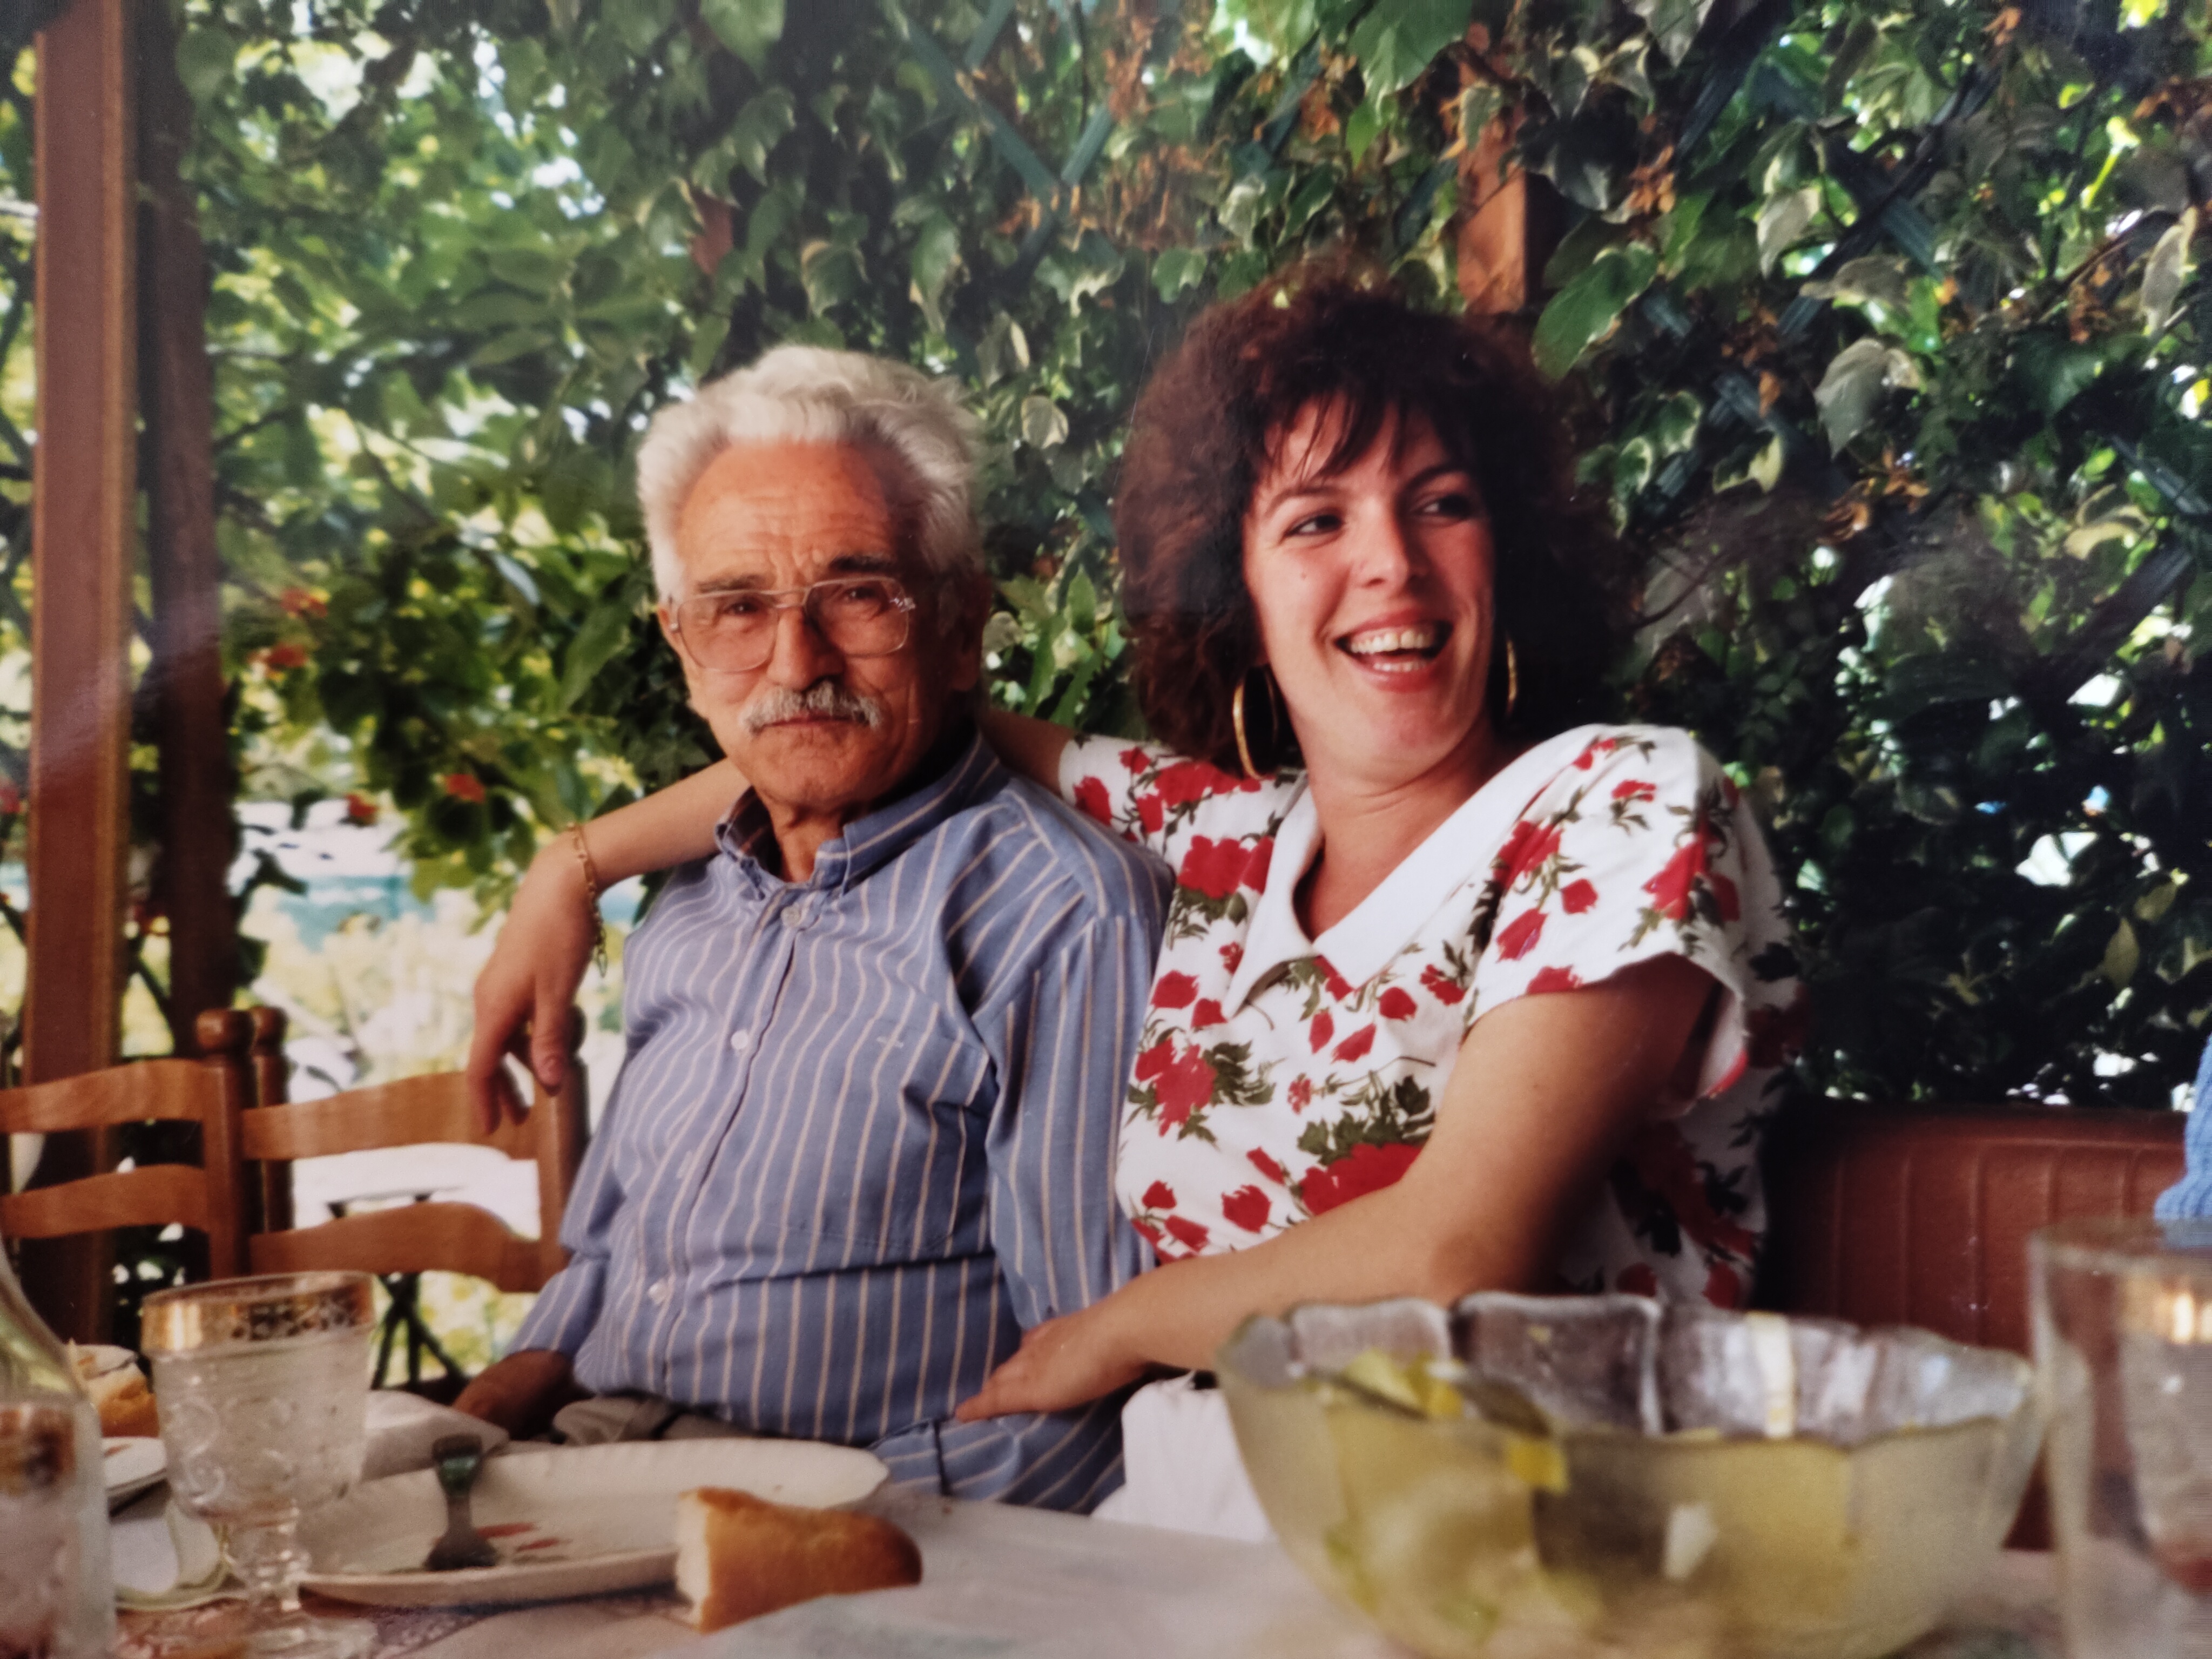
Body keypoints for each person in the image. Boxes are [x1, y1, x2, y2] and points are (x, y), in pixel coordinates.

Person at [468, 266, 1804, 1535]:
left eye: (1441, 503)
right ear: (1238, 579)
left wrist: (1112, 1329)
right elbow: (853, 711)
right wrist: (570, 867)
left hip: (1531, 1539)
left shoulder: (1621, 803)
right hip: (1193, 1537)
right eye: (1315, 520)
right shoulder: (1223, 838)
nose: (1389, 561)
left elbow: (1457, 1247)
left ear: (1506, 550)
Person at [451, 344, 1169, 1514]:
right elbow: (607, 1261)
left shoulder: (1058, 914)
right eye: (737, 607)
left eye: (856, 594)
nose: (794, 661)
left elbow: (1087, 1388)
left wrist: (829, 1541)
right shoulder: (685, 901)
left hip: (861, 1520)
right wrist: (479, 1424)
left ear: (957, 624)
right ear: (683, 644)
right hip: (584, 1485)